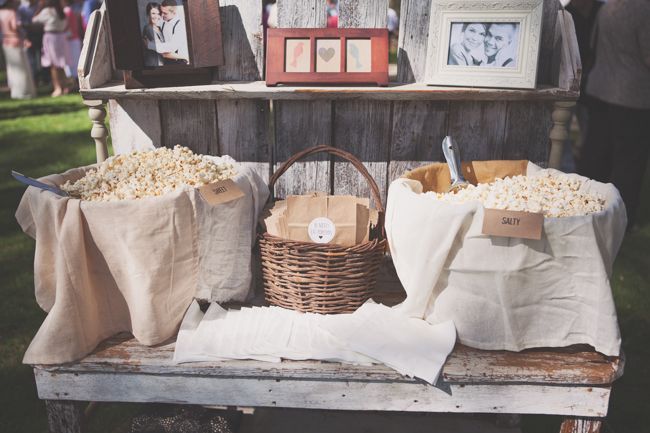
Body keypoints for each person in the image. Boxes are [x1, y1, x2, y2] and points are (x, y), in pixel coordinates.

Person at [576, 0, 650, 230]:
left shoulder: (609, 6)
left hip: (601, 87)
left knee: (596, 153)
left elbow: (593, 43)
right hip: (631, 95)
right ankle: (620, 221)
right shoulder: (644, 9)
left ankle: (584, 208)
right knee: (628, 162)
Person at [32, 0, 71, 96]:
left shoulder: (47, 11)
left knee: (53, 65)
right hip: (61, 37)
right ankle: (65, 86)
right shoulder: (60, 10)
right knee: (61, 64)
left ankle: (57, 87)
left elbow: (34, 20)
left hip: (51, 38)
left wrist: (39, 8)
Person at [0, 0, 37, 98]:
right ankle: (24, 91)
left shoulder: (1, 13)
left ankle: (15, 91)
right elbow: (15, 26)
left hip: (5, 41)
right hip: (15, 40)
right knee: (21, 69)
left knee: (12, 69)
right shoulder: (12, 13)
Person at [144, 0, 188, 65]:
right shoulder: (162, 21)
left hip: (179, 62)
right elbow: (153, 22)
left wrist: (150, 45)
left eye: (165, 13)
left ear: (174, 13)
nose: (162, 15)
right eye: (161, 12)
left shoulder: (180, 26)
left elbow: (170, 47)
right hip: (165, 60)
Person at [63, 0, 82, 80]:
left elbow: (66, 27)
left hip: (72, 40)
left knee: (74, 63)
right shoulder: (68, 10)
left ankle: (74, 81)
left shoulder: (67, 11)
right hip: (72, 40)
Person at [141, 2, 164, 66]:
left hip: (160, 62)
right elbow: (158, 47)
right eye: (153, 13)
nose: (156, 16)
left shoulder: (159, 28)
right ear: (148, 14)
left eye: (158, 14)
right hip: (153, 64)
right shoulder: (148, 28)